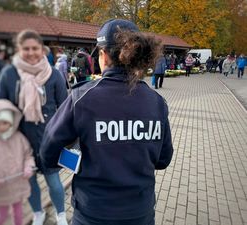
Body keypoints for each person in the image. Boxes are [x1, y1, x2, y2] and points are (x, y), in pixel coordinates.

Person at [39, 19, 174, 225]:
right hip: (140, 213)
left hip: (93, 214)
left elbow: (48, 152)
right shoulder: (156, 102)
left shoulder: (81, 98)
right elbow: (163, 160)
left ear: (103, 55)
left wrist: (73, 154)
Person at [0, 29, 69, 225]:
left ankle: (61, 214)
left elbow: (67, 109)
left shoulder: (53, 75)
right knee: (29, 181)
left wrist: (70, 137)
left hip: (48, 139)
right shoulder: (9, 73)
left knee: (54, 181)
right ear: (18, 49)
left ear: (42, 50)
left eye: (35, 48)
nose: (31, 52)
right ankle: (38, 212)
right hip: (20, 140)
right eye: (26, 48)